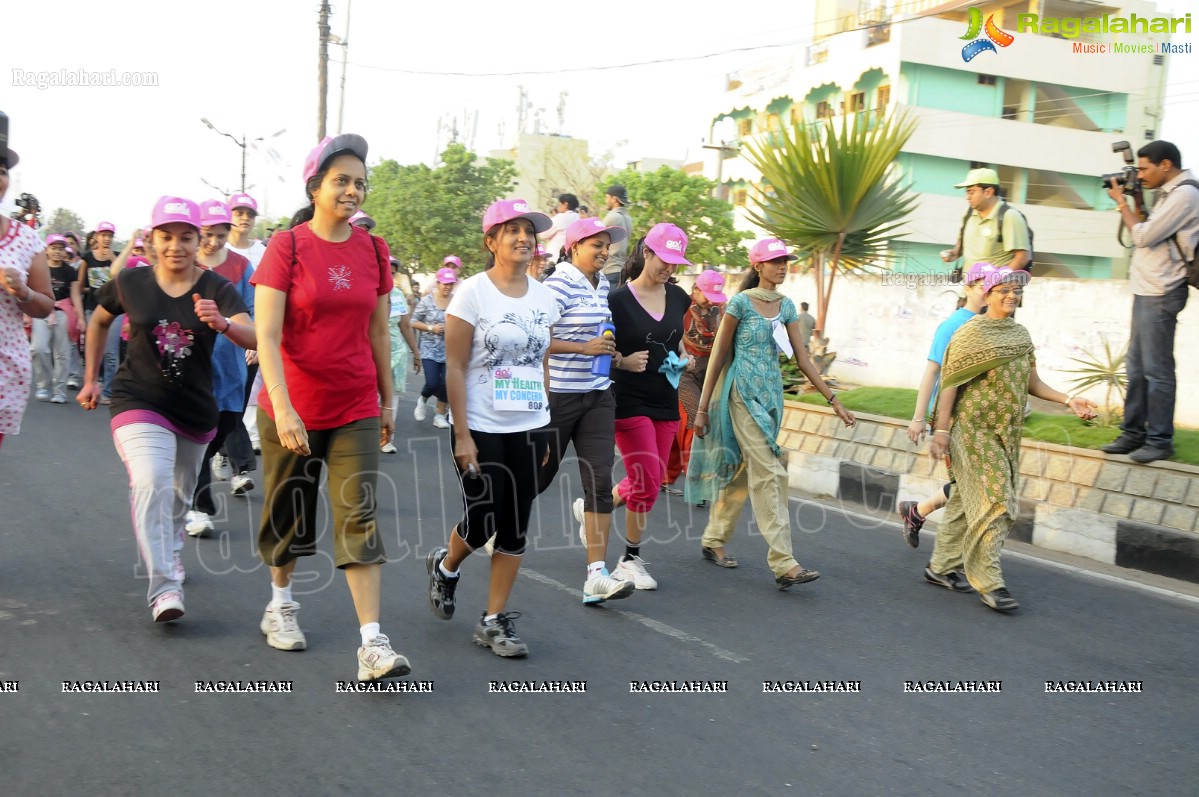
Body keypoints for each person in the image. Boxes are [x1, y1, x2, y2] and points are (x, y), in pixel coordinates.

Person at [252, 133, 410, 681]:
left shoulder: (373, 249)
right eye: (341, 179)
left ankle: (372, 642)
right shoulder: (287, 248)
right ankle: (281, 604)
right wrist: (283, 405)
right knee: (290, 512)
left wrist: (388, 398)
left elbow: (377, 329)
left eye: (359, 181)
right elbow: (267, 336)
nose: (352, 189)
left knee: (359, 514)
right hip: (290, 407)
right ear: (315, 185)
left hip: (354, 405)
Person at [77, 196, 255, 622]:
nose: (176, 246)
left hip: (195, 409)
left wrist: (224, 324)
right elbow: (100, 318)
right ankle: (164, 586)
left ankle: (171, 550)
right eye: (166, 237)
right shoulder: (132, 282)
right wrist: (90, 378)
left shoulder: (215, 287)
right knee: (149, 478)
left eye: (186, 238)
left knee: (177, 498)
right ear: (152, 239)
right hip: (137, 399)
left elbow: (252, 334)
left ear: (199, 241)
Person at [425, 198, 558, 657]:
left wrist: (547, 423)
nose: (523, 238)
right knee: (482, 520)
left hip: (530, 423)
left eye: (529, 231)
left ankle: (493, 620)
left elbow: (540, 360)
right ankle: (446, 565)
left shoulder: (545, 296)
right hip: (480, 425)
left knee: (516, 525)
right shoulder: (472, 293)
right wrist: (461, 434)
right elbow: (455, 368)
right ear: (492, 241)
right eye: (512, 230)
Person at [927, 265, 1096, 612]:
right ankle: (989, 580)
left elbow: (1033, 383)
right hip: (970, 431)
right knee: (997, 501)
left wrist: (1068, 400)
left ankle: (940, 566)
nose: (1012, 296)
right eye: (1004, 290)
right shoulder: (969, 334)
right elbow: (949, 385)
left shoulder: (1020, 334)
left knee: (963, 499)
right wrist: (941, 431)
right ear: (987, 294)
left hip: (1005, 431)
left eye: (1016, 291)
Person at [689, 238, 855, 589]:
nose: (783, 266)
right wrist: (702, 409)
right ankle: (784, 561)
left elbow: (803, 358)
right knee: (770, 472)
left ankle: (714, 537)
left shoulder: (787, 307)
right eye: (776, 261)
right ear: (758, 266)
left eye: (785, 261)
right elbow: (718, 355)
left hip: (770, 401)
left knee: (744, 470)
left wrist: (832, 399)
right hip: (741, 396)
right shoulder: (740, 304)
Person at [536, 216, 633, 603]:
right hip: (559, 395)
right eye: (596, 245)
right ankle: (492, 525)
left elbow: (599, 336)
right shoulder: (556, 285)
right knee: (537, 478)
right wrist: (582, 349)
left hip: (597, 394)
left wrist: (615, 356)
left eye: (607, 245)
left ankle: (597, 575)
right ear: (574, 247)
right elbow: (537, 337)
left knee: (599, 483)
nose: (604, 252)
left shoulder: (603, 283)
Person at [605, 222, 693, 590]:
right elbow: (602, 353)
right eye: (664, 259)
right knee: (646, 482)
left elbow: (678, 340)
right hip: (628, 399)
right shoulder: (616, 300)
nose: (669, 267)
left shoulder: (680, 298)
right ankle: (629, 560)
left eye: (676, 262)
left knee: (652, 481)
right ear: (647, 253)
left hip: (665, 399)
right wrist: (623, 359)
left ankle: (595, 506)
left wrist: (683, 356)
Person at [1101, 140, 1197, 464]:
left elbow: (1142, 236)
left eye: (1144, 169)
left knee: (1157, 370)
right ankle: (1133, 433)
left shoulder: (1185, 194)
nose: (1139, 175)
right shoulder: (1168, 193)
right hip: (1147, 289)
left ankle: (1159, 440)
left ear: (1165, 165)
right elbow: (1148, 228)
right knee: (1137, 368)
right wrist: (1137, 201)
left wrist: (1121, 204)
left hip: (1163, 290)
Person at [898, 266, 989, 548]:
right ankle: (949, 553)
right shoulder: (952, 325)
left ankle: (918, 512)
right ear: (968, 288)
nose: (988, 290)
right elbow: (932, 371)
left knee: (972, 483)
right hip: (951, 417)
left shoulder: (988, 325)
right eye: (982, 285)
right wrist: (918, 418)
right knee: (971, 483)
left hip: (975, 417)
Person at [183, 200, 257, 537]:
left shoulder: (242, 267)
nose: (213, 241)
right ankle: (200, 508)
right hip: (191, 365)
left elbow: (257, 310)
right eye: (207, 234)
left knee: (225, 425)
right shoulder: (186, 264)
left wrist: (257, 342)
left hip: (231, 364)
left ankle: (193, 479)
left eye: (220, 233)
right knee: (197, 434)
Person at [0, 138, 55, 447]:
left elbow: (45, 304)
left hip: (4, 369)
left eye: (2, 170)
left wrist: (23, 292)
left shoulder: (26, 239)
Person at [662, 269, 728, 494]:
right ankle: (697, 481)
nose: (711, 301)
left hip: (709, 375)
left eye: (715, 297)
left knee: (677, 426)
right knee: (693, 421)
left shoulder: (721, 310)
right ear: (696, 290)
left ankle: (664, 476)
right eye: (707, 295)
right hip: (684, 374)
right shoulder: (680, 308)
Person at [940, 168, 1030, 272]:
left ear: (988, 192)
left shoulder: (1009, 216)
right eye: (967, 192)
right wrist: (953, 254)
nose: (967, 197)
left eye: (971, 192)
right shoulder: (969, 215)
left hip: (996, 287)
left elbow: (1022, 257)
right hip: (969, 285)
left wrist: (997, 278)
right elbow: (961, 247)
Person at [30, 234, 79, 403]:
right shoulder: (39, 268)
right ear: (47, 249)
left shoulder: (69, 271)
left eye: (60, 248)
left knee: (62, 353)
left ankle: (59, 390)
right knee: (38, 348)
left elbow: (75, 295)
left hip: (63, 311)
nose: (57, 252)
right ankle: (43, 385)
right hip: (42, 310)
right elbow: (31, 290)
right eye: (54, 248)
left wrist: (80, 317)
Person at [411, 267, 457, 428]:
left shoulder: (457, 300)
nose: (448, 287)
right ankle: (423, 399)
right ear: (438, 283)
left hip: (450, 349)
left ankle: (439, 415)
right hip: (429, 348)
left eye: (451, 284)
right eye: (445, 283)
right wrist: (432, 328)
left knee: (446, 383)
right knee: (432, 383)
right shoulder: (427, 301)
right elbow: (413, 321)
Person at [383, 256, 420, 454]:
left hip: (397, 353)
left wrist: (416, 352)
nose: (389, 275)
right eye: (385, 271)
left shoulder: (397, 295)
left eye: (392, 272)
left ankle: (386, 438)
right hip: (371, 352)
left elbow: (405, 325)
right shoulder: (367, 292)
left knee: (393, 396)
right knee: (371, 395)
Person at [601, 185, 633, 285]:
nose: (606, 201)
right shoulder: (628, 218)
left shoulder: (612, 217)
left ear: (614, 199)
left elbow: (597, 239)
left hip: (609, 268)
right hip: (621, 269)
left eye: (607, 197)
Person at [537, 193, 580, 263]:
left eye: (560, 204)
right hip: (572, 259)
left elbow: (543, 235)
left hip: (555, 258)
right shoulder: (579, 218)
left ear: (565, 204)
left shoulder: (561, 218)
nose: (558, 206)